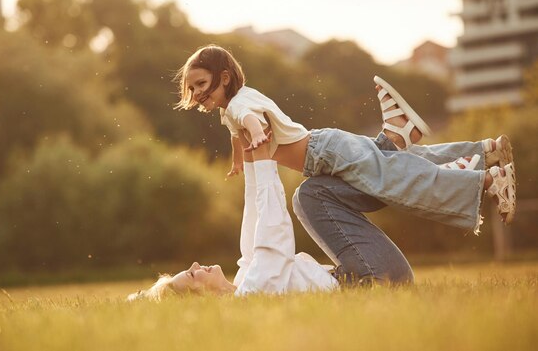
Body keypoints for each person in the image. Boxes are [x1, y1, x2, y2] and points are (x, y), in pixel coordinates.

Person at [127, 45, 516, 300]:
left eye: (200, 85)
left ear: (223, 77)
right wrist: (247, 163)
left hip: (322, 152)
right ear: (203, 302)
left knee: (347, 186)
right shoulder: (254, 289)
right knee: (385, 173)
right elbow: (264, 221)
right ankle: (475, 157)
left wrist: (259, 149)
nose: (196, 266)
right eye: (191, 277)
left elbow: (246, 124)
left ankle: (454, 162)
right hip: (366, 265)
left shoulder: (250, 273)